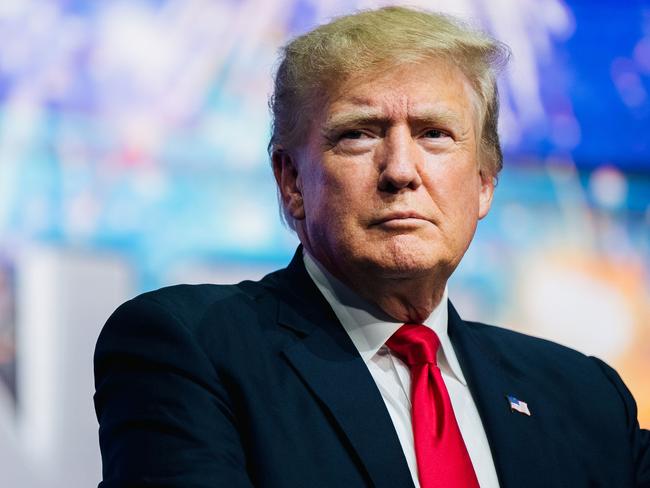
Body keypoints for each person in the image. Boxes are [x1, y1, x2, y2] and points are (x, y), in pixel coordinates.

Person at [93, 6, 650, 488]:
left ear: (484, 182)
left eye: (435, 133)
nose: (401, 171)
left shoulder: (586, 399)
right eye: (359, 134)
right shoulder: (192, 349)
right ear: (291, 181)